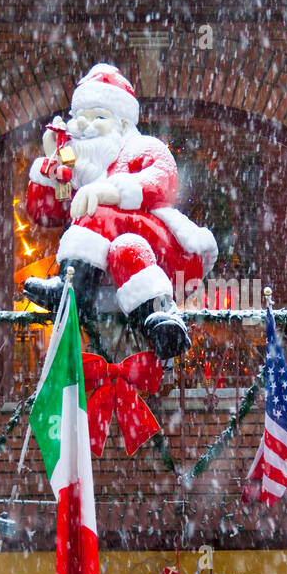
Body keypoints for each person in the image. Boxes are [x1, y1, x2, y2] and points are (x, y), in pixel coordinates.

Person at [23, 63, 217, 360]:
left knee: (99, 212)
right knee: (126, 249)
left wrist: (109, 192)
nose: (85, 125)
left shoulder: (142, 147)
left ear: (123, 124)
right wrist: (52, 163)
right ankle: (161, 322)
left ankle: (71, 289)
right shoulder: (76, 167)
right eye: (80, 117)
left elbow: (163, 181)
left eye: (99, 117)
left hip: (169, 250)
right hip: (131, 261)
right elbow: (43, 212)